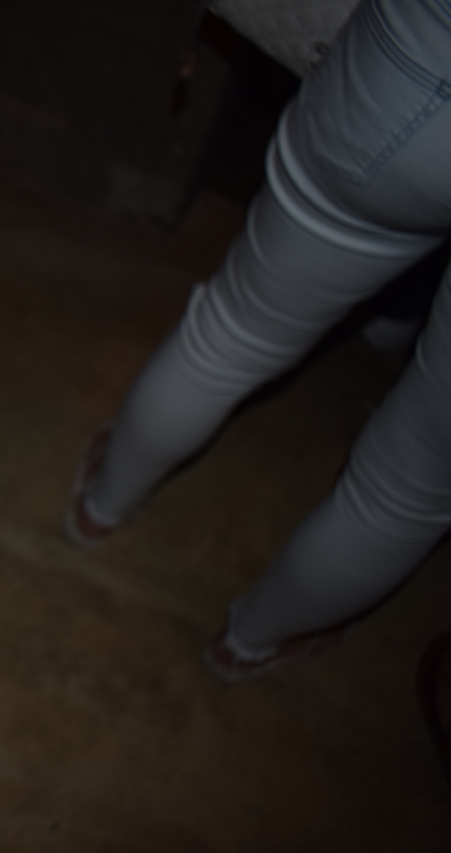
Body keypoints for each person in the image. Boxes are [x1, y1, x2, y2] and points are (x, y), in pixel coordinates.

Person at [64, 0, 450, 682]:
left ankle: (101, 508)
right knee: (413, 485)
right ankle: (249, 643)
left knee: (231, 332)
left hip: (419, 70)